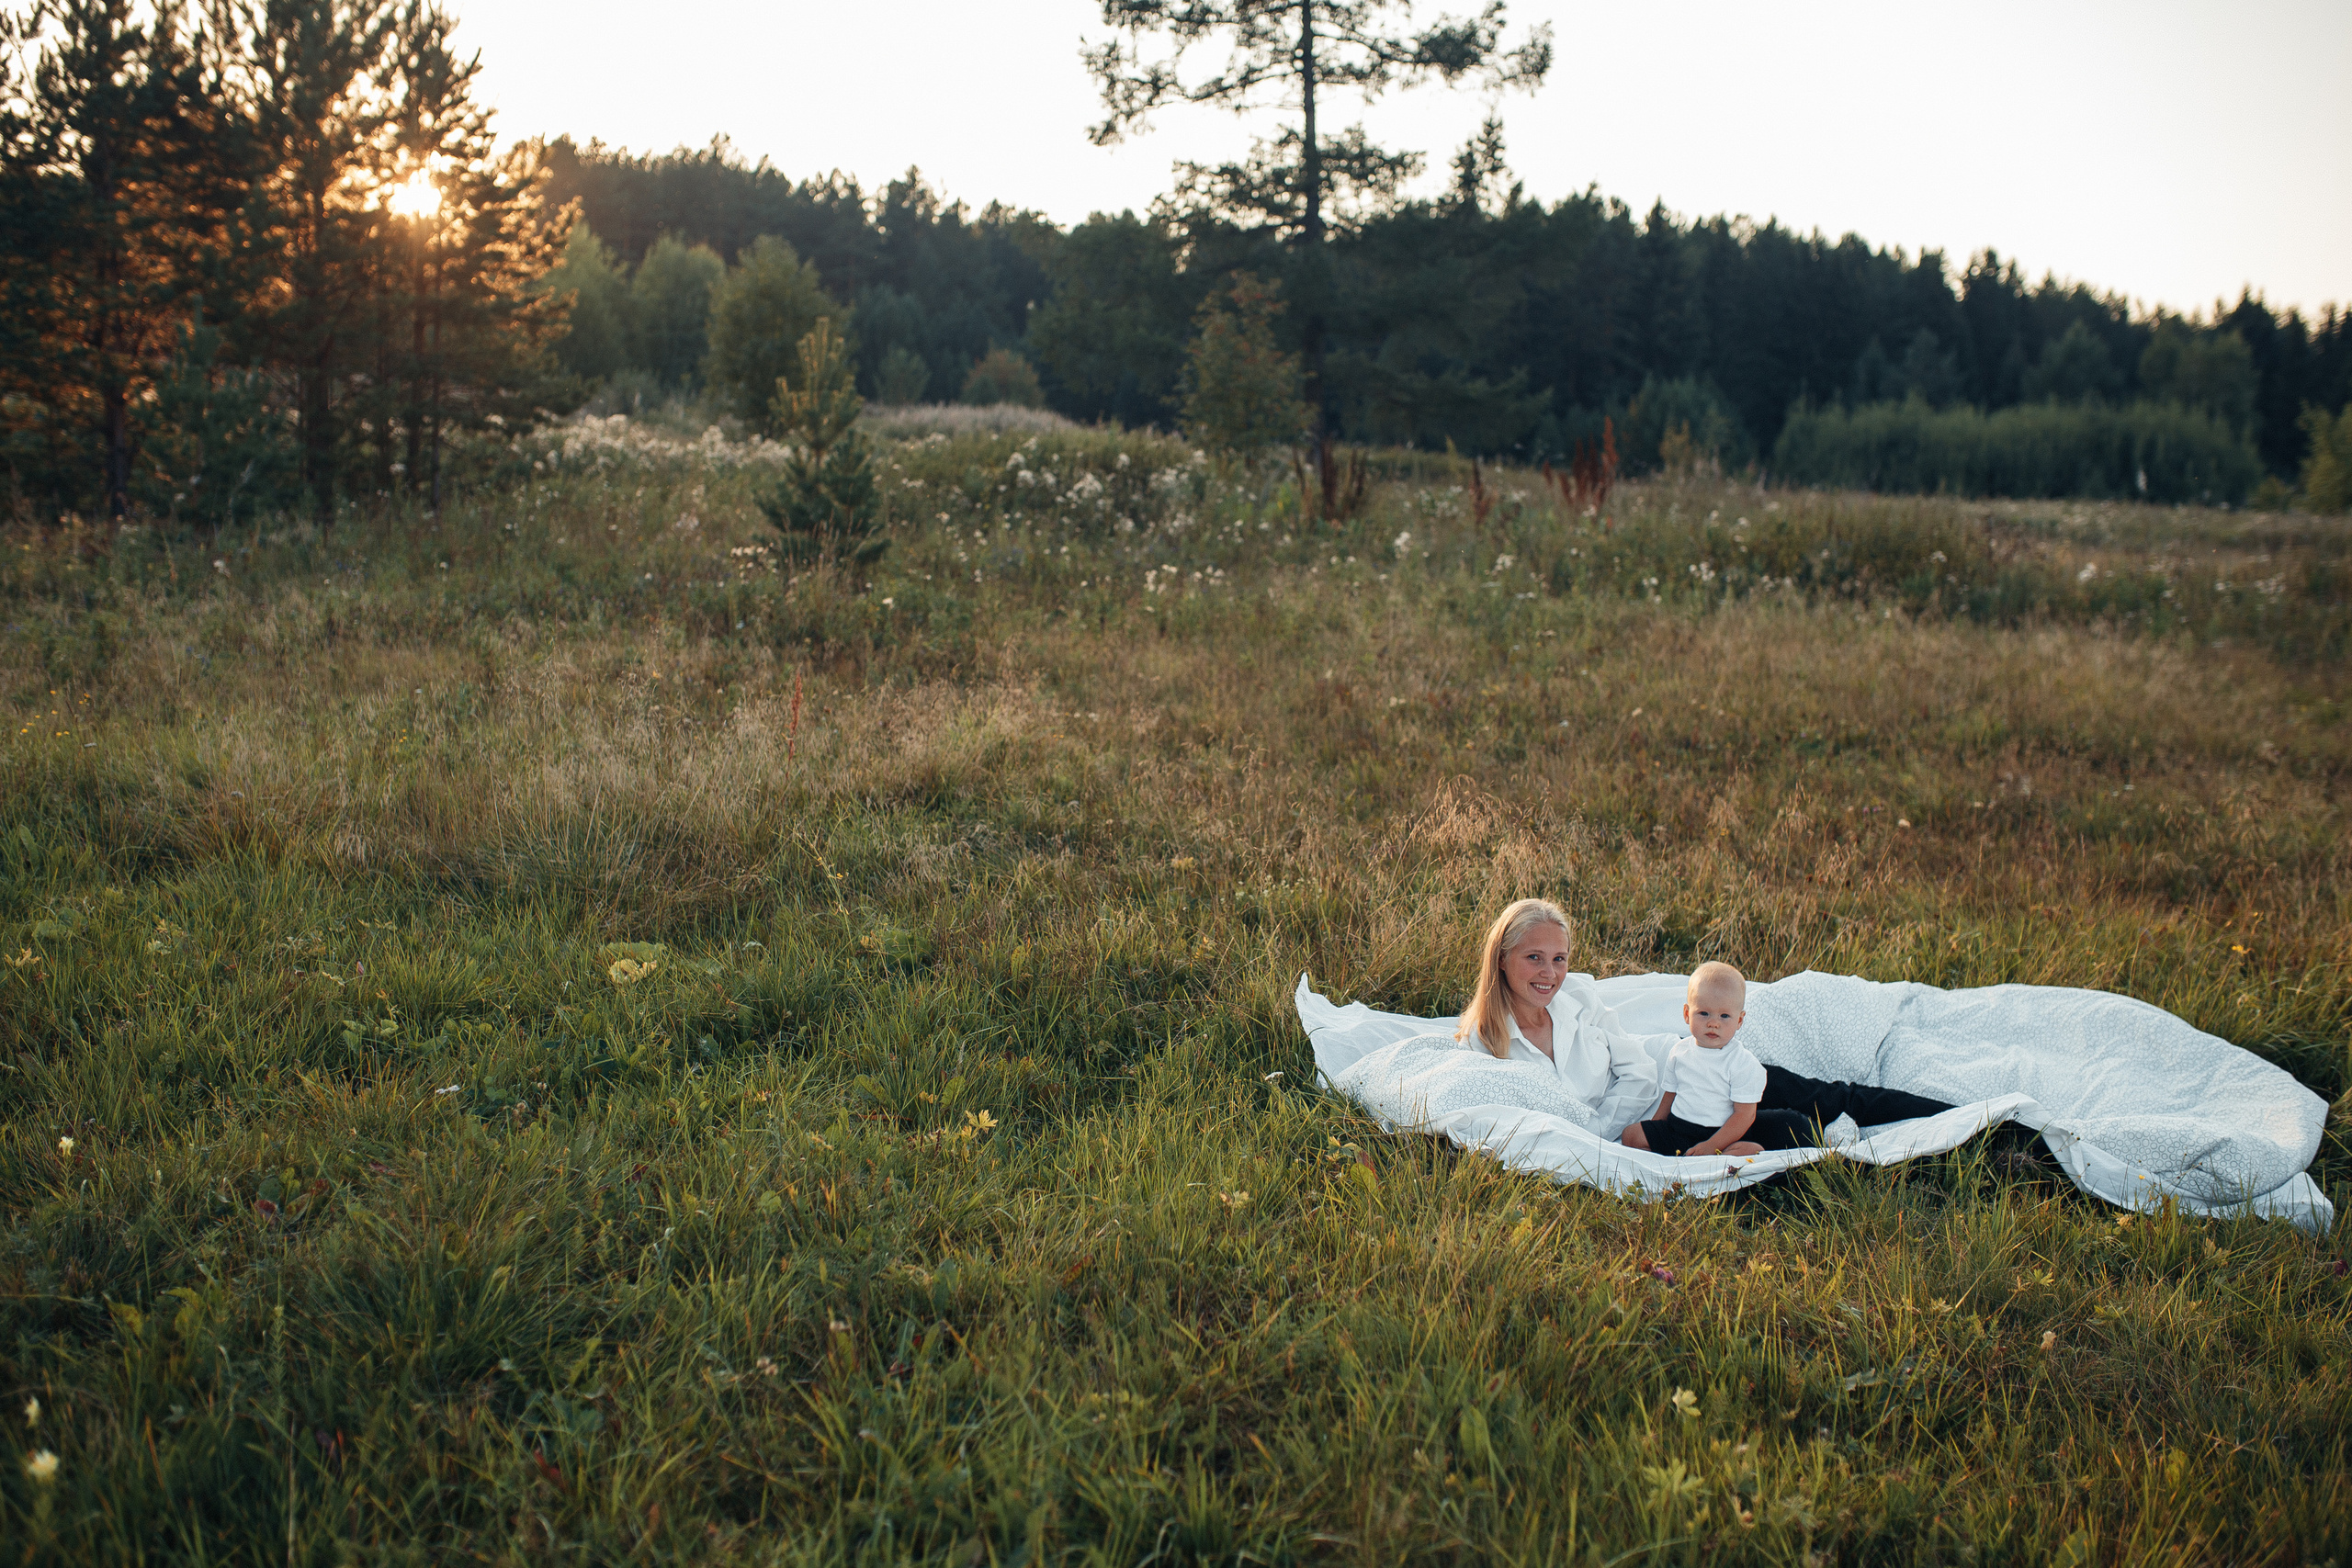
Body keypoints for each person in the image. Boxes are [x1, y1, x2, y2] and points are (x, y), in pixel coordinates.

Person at [1457, 899, 1955, 1149]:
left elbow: (1637, 1071)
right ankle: (1952, 1154)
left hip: (1693, 1070)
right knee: (1800, 1136)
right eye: (1534, 958)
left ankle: (1976, 1120)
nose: (1550, 975)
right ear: (1501, 959)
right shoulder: (1489, 1041)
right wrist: (1626, 1137)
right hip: (1673, 1127)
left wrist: (1611, 1131)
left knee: (1835, 1098)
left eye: (1559, 959)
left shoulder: (1580, 995)